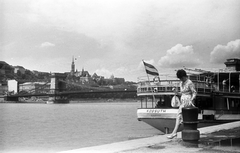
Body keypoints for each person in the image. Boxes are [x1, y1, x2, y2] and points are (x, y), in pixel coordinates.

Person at [167, 69, 197, 139]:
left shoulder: (189, 83)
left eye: (181, 78)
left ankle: (174, 132)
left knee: (179, 116)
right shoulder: (181, 83)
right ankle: (175, 132)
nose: (181, 79)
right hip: (183, 101)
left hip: (188, 101)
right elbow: (182, 93)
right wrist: (176, 92)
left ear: (184, 76)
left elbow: (194, 92)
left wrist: (192, 100)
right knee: (180, 116)